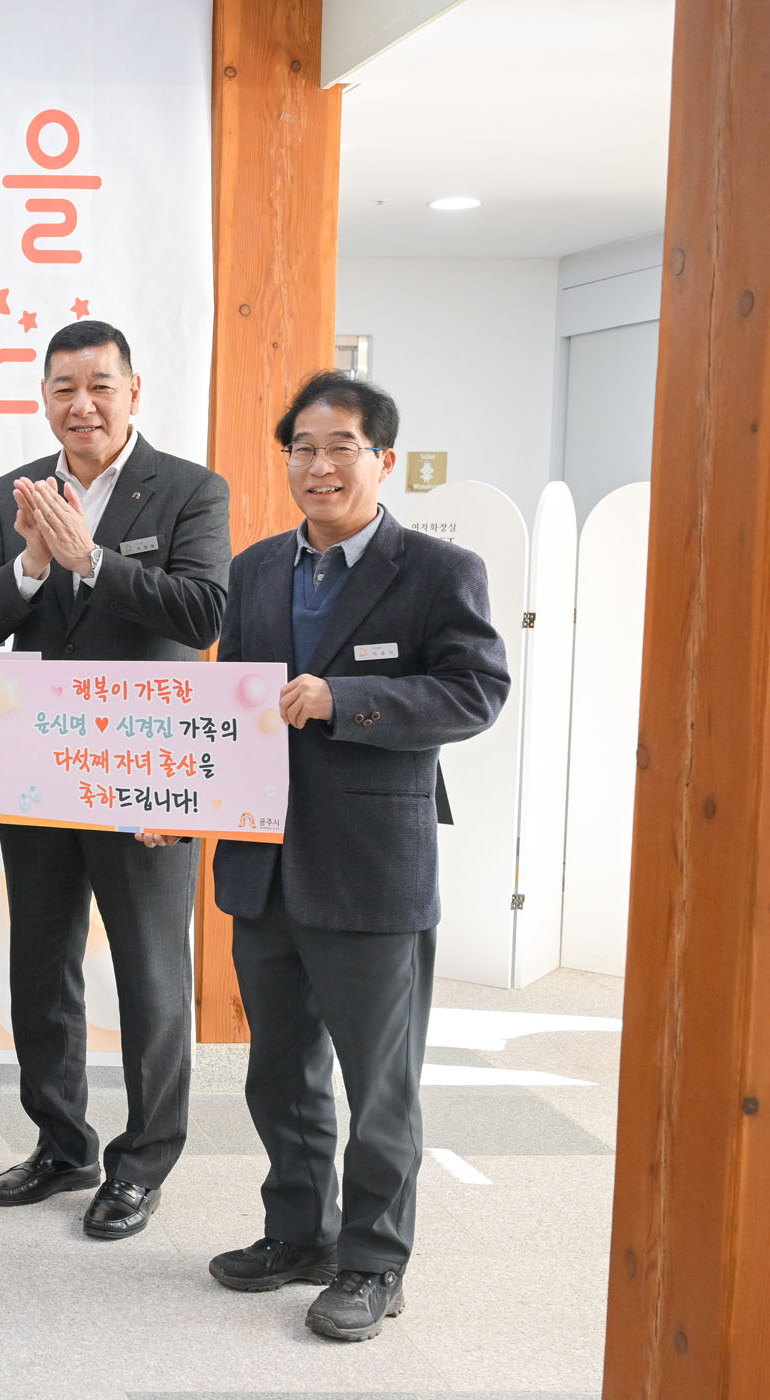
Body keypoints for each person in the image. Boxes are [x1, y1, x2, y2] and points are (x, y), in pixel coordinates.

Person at [207, 371, 508, 1342]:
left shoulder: (437, 571)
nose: (319, 465)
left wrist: (349, 700)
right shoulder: (257, 568)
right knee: (278, 1071)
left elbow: (475, 691)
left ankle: (375, 1262)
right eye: (302, 447)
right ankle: (301, 1233)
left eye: (341, 446)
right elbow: (229, 705)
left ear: (384, 459)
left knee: (380, 1085)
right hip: (263, 861)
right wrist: (180, 796)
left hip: (372, 866)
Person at [0, 319, 230, 1239]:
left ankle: (143, 1164)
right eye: (64, 387)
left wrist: (92, 562)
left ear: (133, 391)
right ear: (44, 397)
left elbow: (204, 612)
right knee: (41, 961)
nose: (82, 404)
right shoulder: (15, 491)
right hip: (40, 756)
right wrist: (34, 564)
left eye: (99, 386)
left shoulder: (189, 489)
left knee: (152, 969)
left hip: (146, 761)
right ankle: (61, 1142)